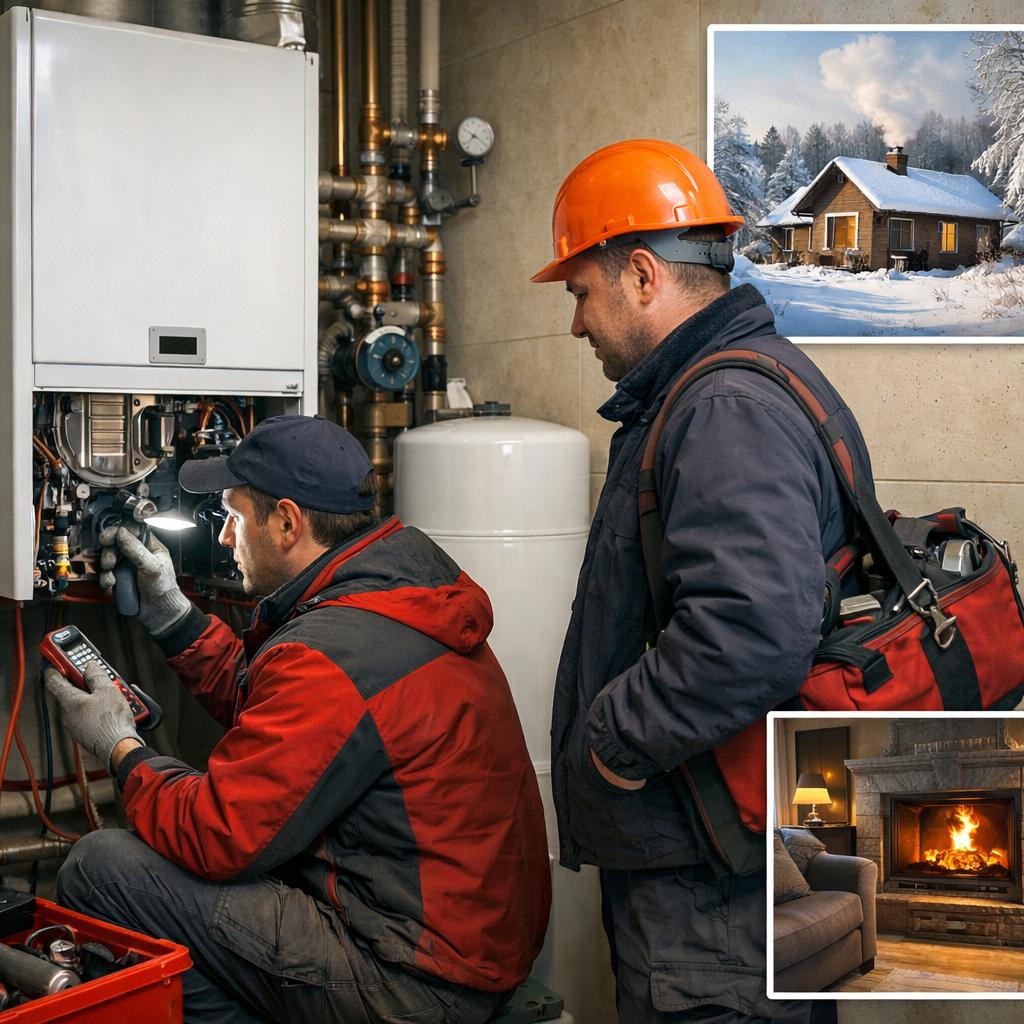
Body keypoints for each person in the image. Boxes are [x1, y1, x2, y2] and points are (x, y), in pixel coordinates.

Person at [45, 414, 551, 1024]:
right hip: (462, 949)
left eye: (234, 516)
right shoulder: (397, 596)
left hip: (411, 983)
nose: (227, 539)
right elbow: (292, 719)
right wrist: (173, 614)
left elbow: (215, 833)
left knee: (102, 870)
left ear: (287, 522)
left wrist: (119, 746)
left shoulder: (333, 652)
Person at [531, 139, 873, 1023]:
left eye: (581, 293)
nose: (577, 324)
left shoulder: (724, 408)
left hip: (711, 900)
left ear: (642, 274)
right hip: (720, 860)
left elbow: (749, 633)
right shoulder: (727, 389)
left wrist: (610, 743)